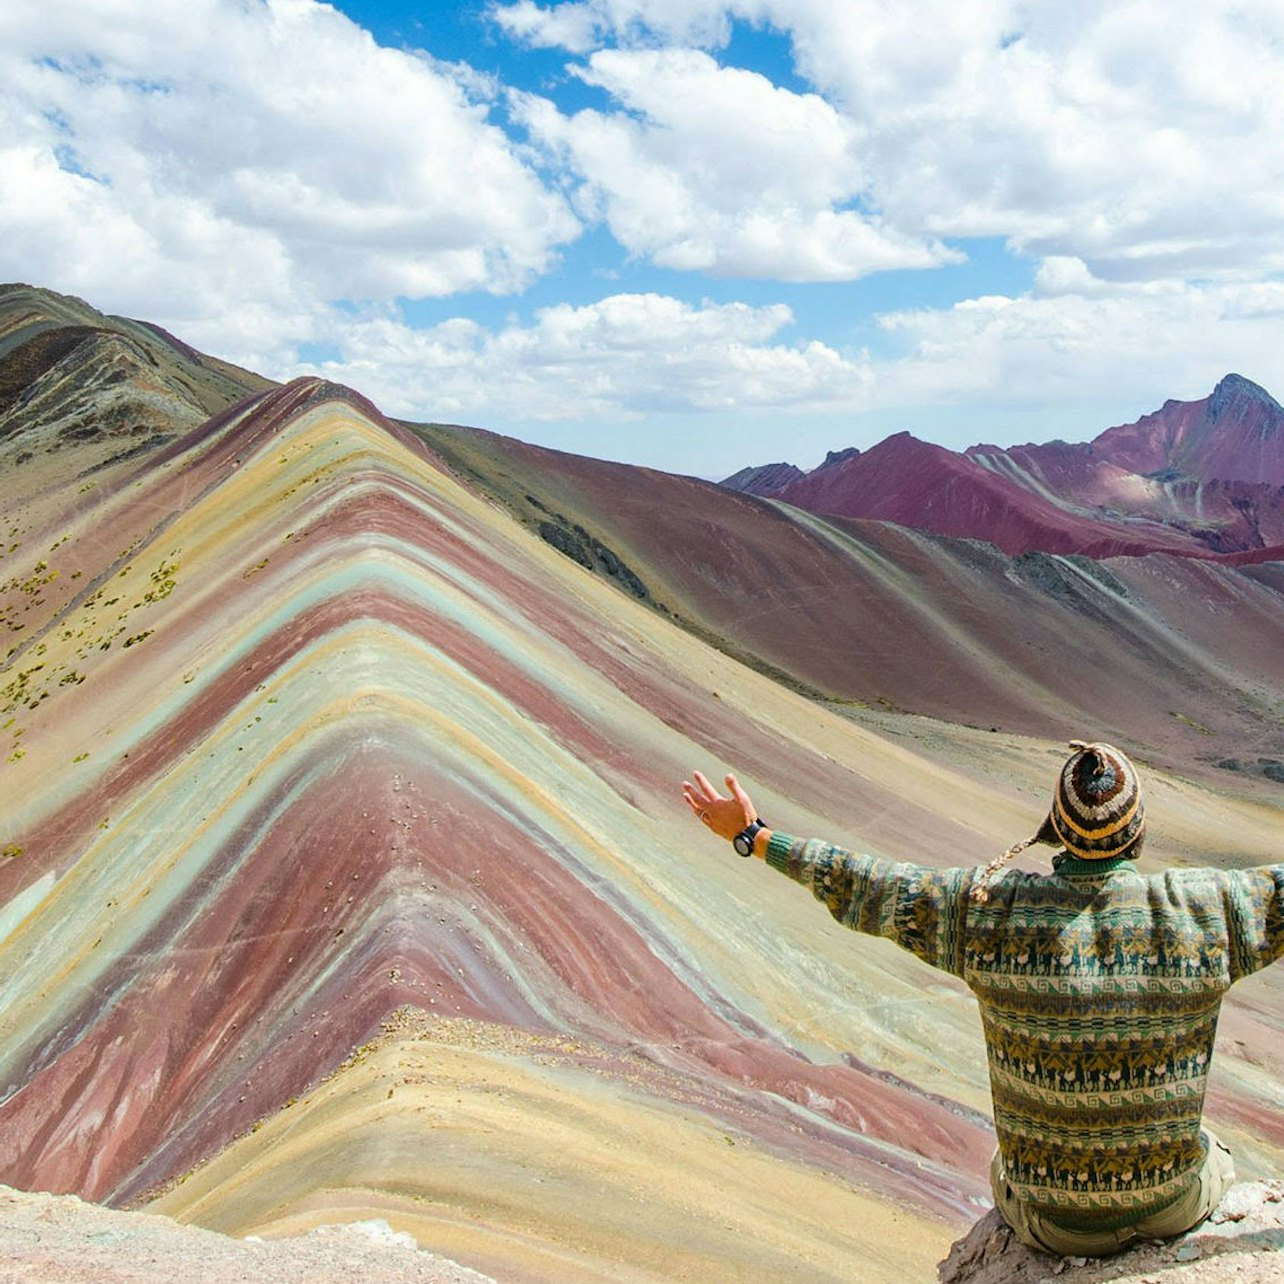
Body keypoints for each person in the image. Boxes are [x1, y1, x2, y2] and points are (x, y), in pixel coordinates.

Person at [682, 742, 1284, 1259]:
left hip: (1048, 1222)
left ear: (1057, 827)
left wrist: (753, 837)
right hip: (1171, 1206)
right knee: (1214, 1150)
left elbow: (867, 883)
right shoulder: (1206, 910)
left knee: (1004, 1165)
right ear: (1139, 831)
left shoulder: (988, 912)